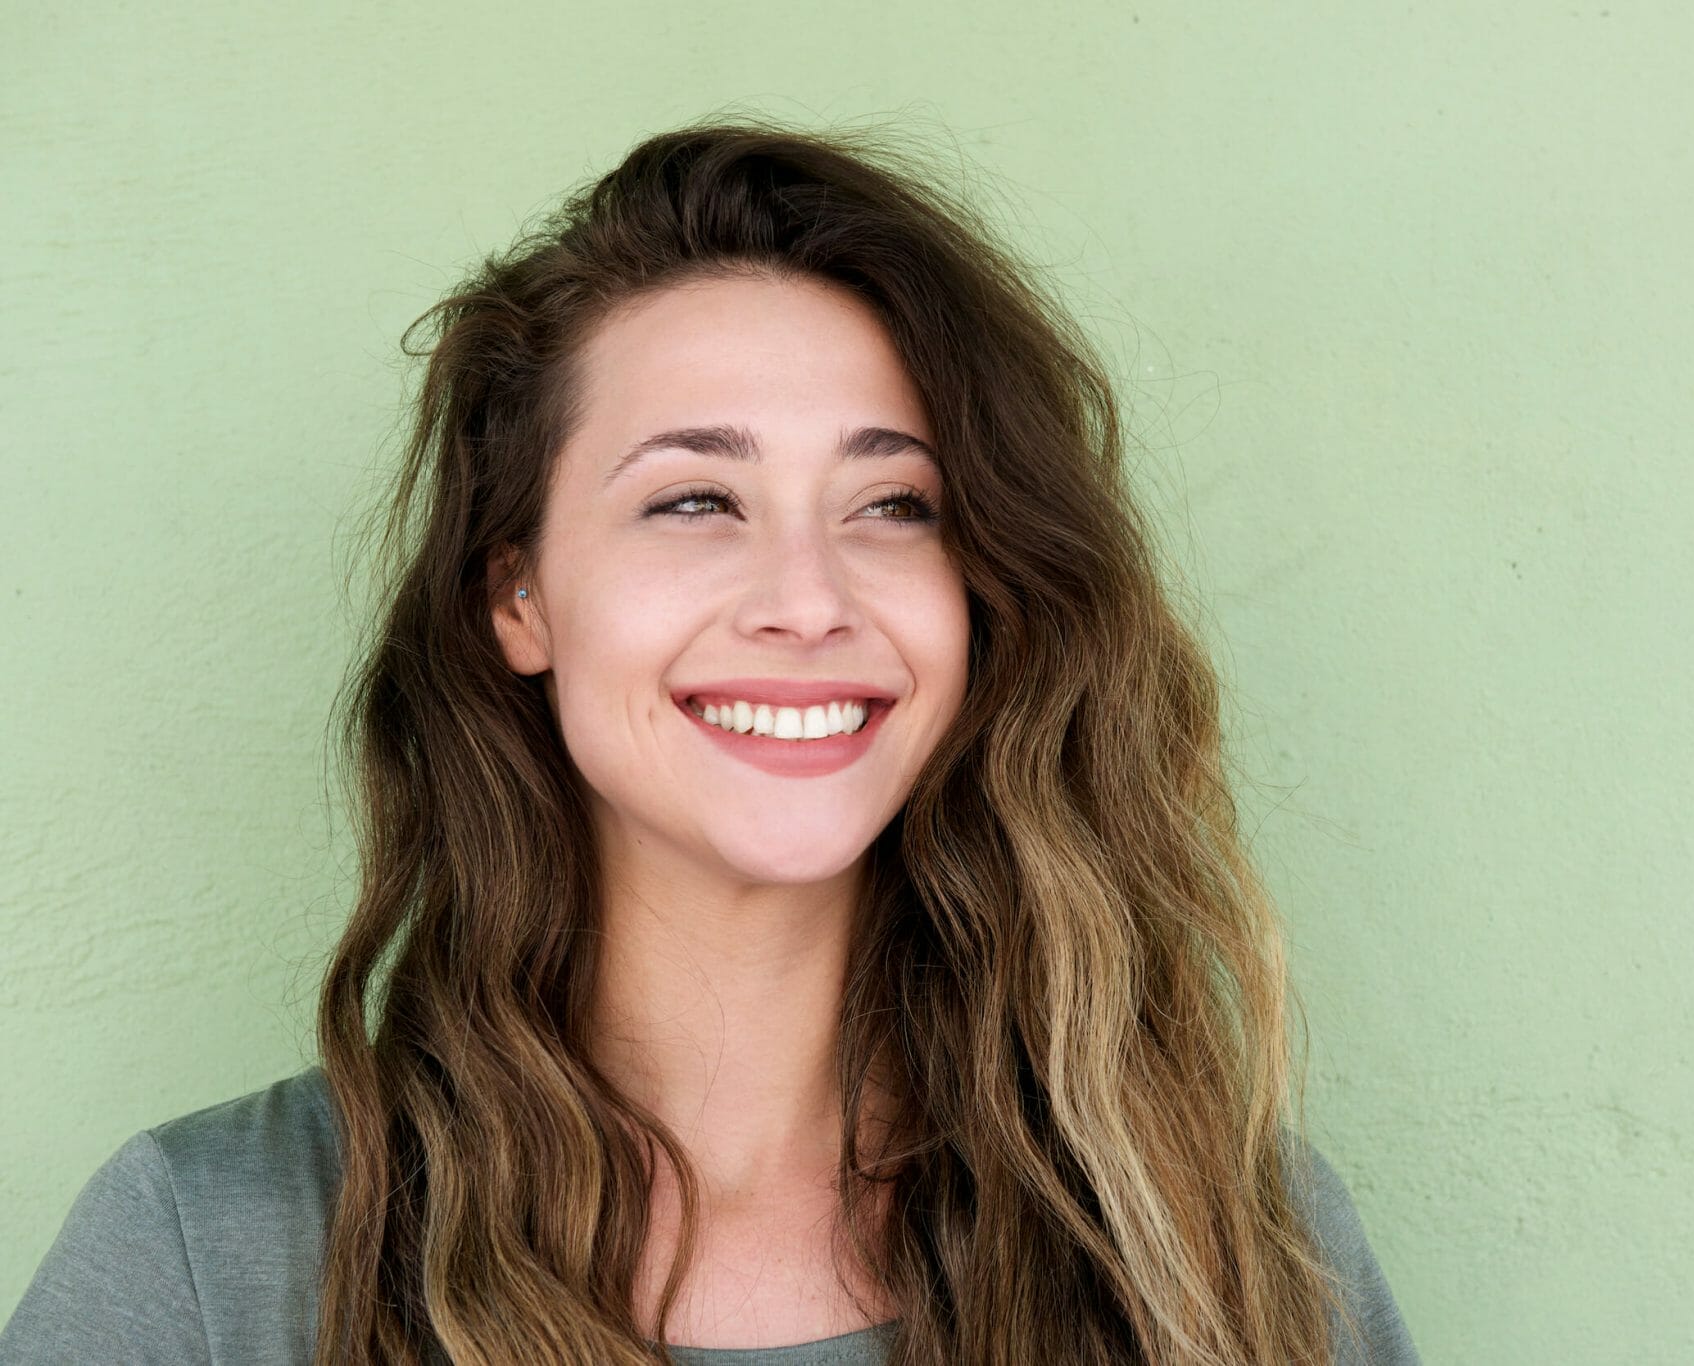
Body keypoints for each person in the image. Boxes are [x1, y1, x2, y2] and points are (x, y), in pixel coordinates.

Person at [0, 118, 1421, 1365]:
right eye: (695, 501)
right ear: (520, 594)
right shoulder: (201, 1257)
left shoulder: (1224, 1241)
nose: (807, 599)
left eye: (895, 505)